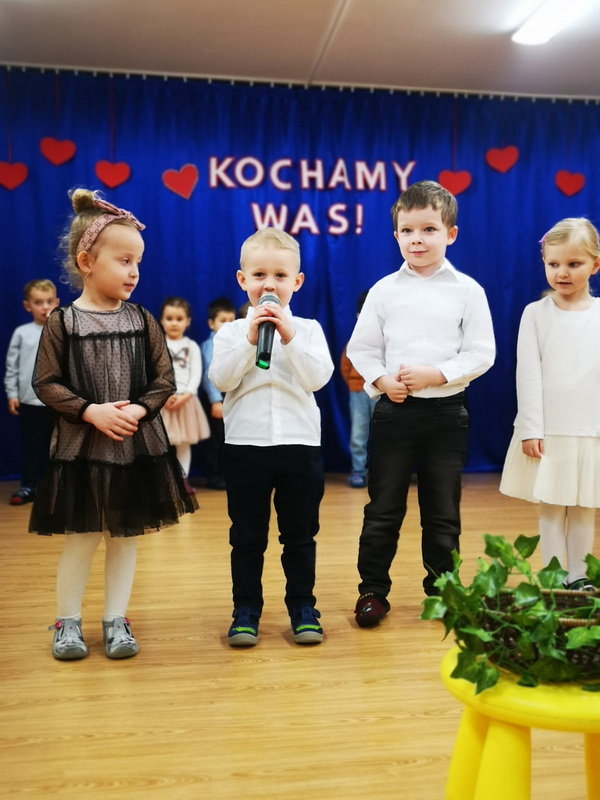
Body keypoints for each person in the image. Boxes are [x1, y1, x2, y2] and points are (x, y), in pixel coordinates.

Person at [29, 189, 197, 661]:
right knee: (81, 539)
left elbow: (164, 380)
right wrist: (91, 411)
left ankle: (116, 619)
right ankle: (67, 621)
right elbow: (45, 383)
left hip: (131, 450)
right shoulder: (63, 322)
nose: (134, 271)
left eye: (138, 262)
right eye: (124, 261)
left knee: (124, 538)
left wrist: (138, 410)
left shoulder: (142, 319)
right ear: (86, 262)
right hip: (81, 450)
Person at [347, 180, 495, 627]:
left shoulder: (468, 290)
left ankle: (442, 590)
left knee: (442, 512)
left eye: (429, 229)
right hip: (395, 414)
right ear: (396, 235)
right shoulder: (383, 290)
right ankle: (372, 591)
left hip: (447, 414)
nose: (417, 239)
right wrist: (382, 381)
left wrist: (438, 374)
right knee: (382, 509)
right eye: (408, 230)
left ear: (450, 233)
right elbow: (362, 349)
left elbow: (482, 352)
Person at [209, 228, 334, 647]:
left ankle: (303, 607)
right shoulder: (230, 332)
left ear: (296, 282)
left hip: (300, 446)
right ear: (242, 279)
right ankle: (245, 610)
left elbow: (316, 378)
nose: (269, 285)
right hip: (245, 446)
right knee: (247, 536)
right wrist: (250, 341)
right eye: (259, 275)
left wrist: (289, 336)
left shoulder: (309, 330)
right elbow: (222, 379)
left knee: (299, 534)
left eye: (280, 276)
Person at [500, 218, 600, 591]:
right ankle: (555, 577)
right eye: (554, 263)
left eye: (574, 264)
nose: (562, 272)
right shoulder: (536, 314)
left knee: (585, 507)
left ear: (595, 264)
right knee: (553, 506)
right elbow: (527, 374)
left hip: (591, 429)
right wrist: (531, 428)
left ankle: (579, 576)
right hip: (551, 430)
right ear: (543, 261)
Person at [4, 279, 59, 505]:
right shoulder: (22, 333)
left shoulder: (62, 331)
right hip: (30, 401)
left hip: (58, 402)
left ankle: (56, 489)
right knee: (33, 445)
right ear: (28, 306)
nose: (45, 307)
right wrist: (12, 394)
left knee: (57, 446)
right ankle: (30, 486)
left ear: (56, 303)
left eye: (49, 302)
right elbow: (12, 366)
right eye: (38, 302)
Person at [160, 296, 210, 495]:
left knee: (183, 444)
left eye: (179, 319)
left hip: (186, 401)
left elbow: (196, 374)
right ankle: (163, 482)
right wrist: (163, 395)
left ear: (187, 321)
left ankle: (182, 480)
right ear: (162, 320)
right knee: (161, 444)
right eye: (169, 318)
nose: (174, 323)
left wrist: (186, 395)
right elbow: (153, 373)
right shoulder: (157, 345)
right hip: (162, 402)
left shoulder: (192, 346)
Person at [340, 290, 377, 488]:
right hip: (358, 393)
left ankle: (381, 472)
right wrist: (355, 385)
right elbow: (345, 367)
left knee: (383, 434)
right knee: (358, 433)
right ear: (357, 316)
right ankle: (358, 470)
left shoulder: (386, 342)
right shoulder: (353, 342)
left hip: (381, 393)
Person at [199, 296, 236, 490]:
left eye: (231, 320)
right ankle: (213, 477)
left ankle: (225, 474)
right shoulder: (210, 345)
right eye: (223, 321)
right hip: (217, 399)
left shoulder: (235, 343)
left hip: (231, 398)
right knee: (216, 440)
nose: (228, 325)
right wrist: (215, 401)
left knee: (228, 440)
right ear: (211, 324)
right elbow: (208, 375)